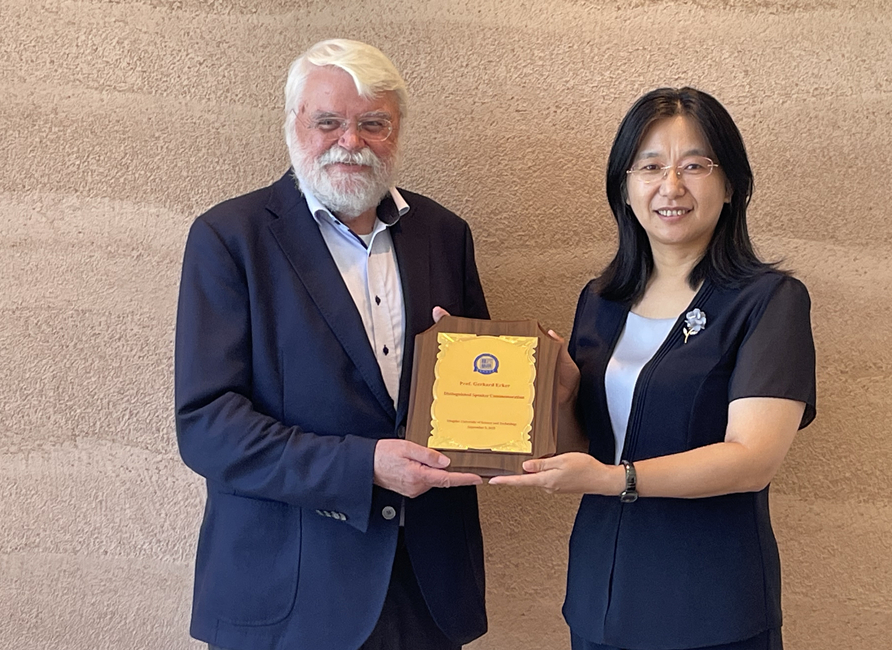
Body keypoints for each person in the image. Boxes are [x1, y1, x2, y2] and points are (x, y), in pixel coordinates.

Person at [174, 39, 489, 650]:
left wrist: (539, 393)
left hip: (424, 591)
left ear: (397, 131)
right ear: (293, 124)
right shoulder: (229, 238)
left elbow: (479, 394)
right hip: (288, 597)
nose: (350, 142)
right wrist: (361, 466)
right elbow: (207, 425)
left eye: (373, 123)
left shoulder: (445, 234)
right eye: (328, 122)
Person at [490, 87, 816, 650]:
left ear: (731, 184)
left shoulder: (769, 301)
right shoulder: (600, 299)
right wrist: (562, 395)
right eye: (649, 167)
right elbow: (586, 447)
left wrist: (614, 480)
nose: (671, 186)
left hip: (708, 605)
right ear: (625, 187)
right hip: (600, 596)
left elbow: (752, 460)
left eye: (694, 165)